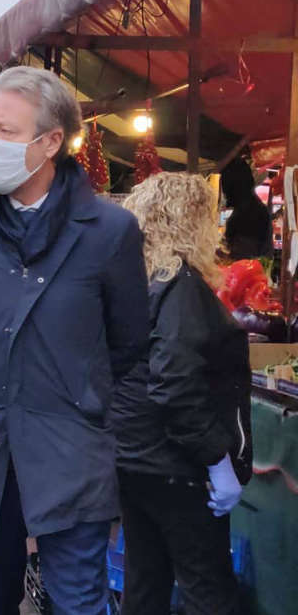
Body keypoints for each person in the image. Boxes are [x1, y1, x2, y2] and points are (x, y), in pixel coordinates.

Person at [0, 66, 150, 614]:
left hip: (70, 452)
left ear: (51, 141)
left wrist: (91, 416)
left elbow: (130, 349)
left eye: (3, 131)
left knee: (78, 599)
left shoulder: (108, 231)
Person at [116, 173, 253, 614]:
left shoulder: (138, 284)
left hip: (135, 458)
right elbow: (175, 383)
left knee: (146, 582)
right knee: (206, 589)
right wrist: (218, 463)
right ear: (190, 220)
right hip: (176, 466)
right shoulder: (180, 287)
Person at [221, 158, 271, 260]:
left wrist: (225, 255)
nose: (225, 193)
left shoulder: (252, 212)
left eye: (226, 186)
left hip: (245, 272)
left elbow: (244, 255)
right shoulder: (250, 208)